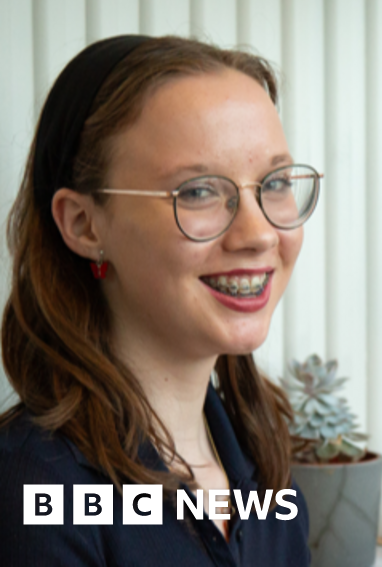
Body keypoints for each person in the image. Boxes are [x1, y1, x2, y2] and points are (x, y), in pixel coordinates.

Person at [0, 35, 318, 566]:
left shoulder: (258, 464)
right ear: (84, 224)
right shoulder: (38, 495)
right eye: (198, 191)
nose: (259, 234)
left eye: (276, 182)